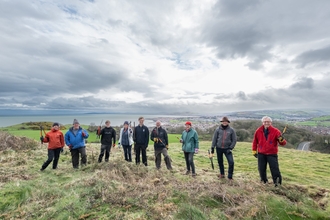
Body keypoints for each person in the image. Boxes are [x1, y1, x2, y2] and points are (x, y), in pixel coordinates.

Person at [252, 116, 287, 187]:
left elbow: (283, 143)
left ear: (271, 122)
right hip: (261, 153)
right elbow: (255, 141)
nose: (266, 123)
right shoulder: (258, 131)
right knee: (261, 169)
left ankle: (277, 184)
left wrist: (281, 140)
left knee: (275, 169)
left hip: (272, 154)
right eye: (265, 122)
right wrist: (254, 151)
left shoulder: (276, 131)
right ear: (262, 122)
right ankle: (264, 182)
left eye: (268, 122)